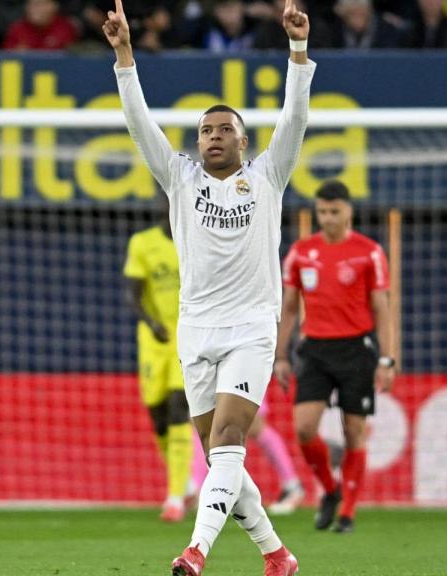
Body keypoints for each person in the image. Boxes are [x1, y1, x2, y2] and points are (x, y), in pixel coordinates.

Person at [104, 0, 314, 573]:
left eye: (226, 129)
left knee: (227, 439)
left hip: (250, 326)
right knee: (222, 455)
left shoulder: (267, 176)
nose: (214, 136)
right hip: (194, 329)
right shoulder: (179, 178)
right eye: (206, 130)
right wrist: (125, 55)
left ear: (244, 143)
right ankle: (277, 555)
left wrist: (297, 53)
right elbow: (138, 123)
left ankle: (195, 552)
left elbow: (293, 121)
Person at [275, 180, 398, 533]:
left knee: (354, 431)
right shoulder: (300, 253)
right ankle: (331, 489)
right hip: (315, 349)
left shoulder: (368, 252)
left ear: (348, 211)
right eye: (322, 212)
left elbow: (382, 308)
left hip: (356, 348)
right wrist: (281, 356)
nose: (327, 219)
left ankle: (348, 512)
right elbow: (290, 307)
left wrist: (387, 360)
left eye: (334, 211)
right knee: (303, 428)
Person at [124, 207, 196, 523]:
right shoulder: (142, 243)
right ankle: (185, 483)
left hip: (188, 339)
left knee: (180, 408)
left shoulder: (196, 239)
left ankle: (175, 497)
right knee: (158, 416)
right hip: (154, 342)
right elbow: (132, 295)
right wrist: (151, 323)